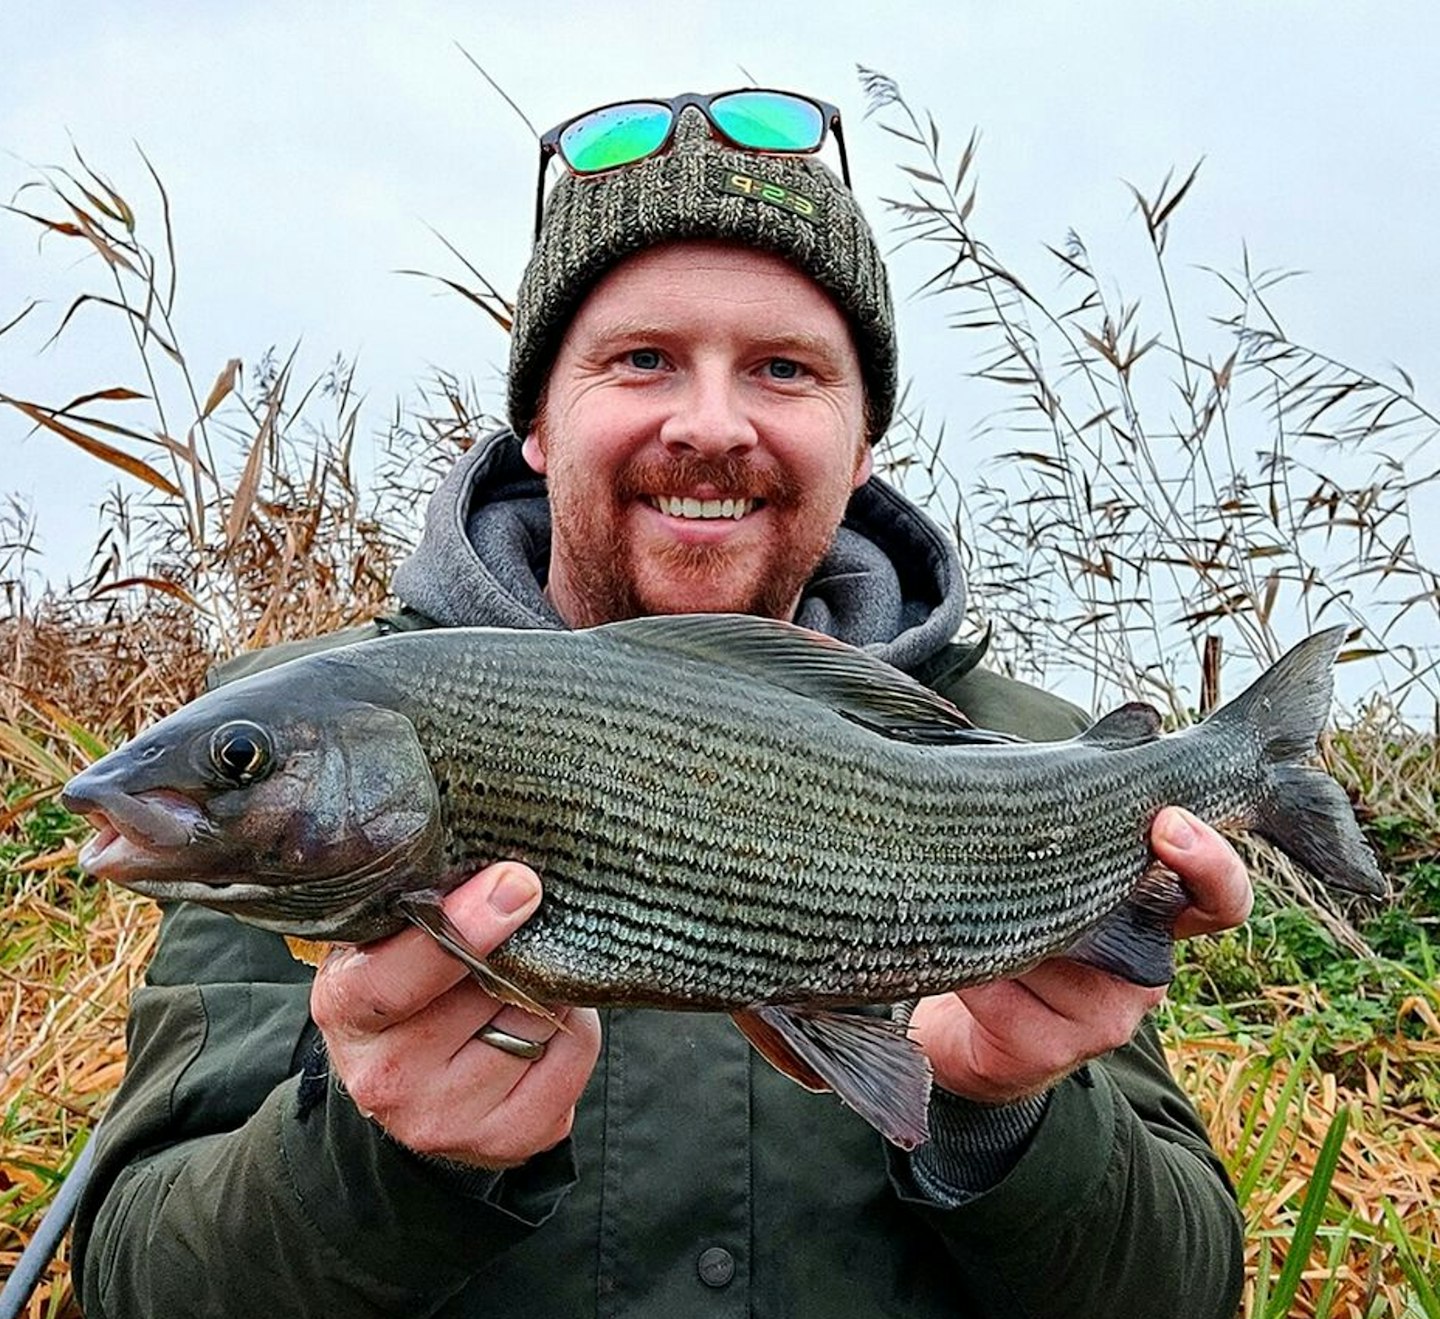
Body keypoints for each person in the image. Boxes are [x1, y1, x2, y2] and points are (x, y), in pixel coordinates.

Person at [72, 90, 1249, 1317]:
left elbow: (1188, 1292)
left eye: (784, 370)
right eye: (642, 359)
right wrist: (379, 1163)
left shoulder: (1040, 761)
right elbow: (133, 1286)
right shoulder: (289, 756)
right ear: (537, 419)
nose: (709, 423)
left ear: (864, 446)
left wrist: (1004, 1113)